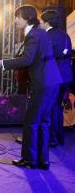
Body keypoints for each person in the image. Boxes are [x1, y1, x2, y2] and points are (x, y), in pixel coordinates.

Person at [0, 5, 62, 170]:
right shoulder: (41, 33)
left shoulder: (33, 35)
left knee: (31, 122)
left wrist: (2, 63)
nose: (15, 20)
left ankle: (29, 160)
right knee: (44, 122)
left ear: (27, 18)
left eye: (17, 17)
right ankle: (43, 161)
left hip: (43, 84)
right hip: (52, 82)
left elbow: (27, 59)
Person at [39, 10, 73, 147]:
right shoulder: (65, 35)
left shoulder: (47, 36)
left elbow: (45, 58)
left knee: (51, 107)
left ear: (47, 22)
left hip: (53, 77)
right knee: (58, 107)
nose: (39, 23)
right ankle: (60, 137)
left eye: (41, 21)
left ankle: (52, 138)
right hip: (66, 77)